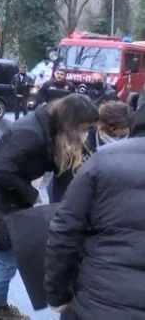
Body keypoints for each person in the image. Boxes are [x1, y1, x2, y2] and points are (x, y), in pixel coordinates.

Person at [0, 94, 98, 320]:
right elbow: (1, 170)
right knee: (4, 264)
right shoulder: (29, 133)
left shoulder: (48, 127)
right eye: (83, 128)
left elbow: (60, 168)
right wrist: (33, 195)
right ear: (71, 121)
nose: (84, 134)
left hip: (5, 202)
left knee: (4, 263)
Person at [45, 103, 145, 319]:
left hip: (98, 301)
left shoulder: (103, 160)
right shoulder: (89, 149)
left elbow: (64, 232)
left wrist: (57, 295)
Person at [48, 100, 132, 203]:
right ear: (110, 127)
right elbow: (63, 184)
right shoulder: (77, 143)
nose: (124, 138)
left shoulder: (132, 143)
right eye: (121, 134)